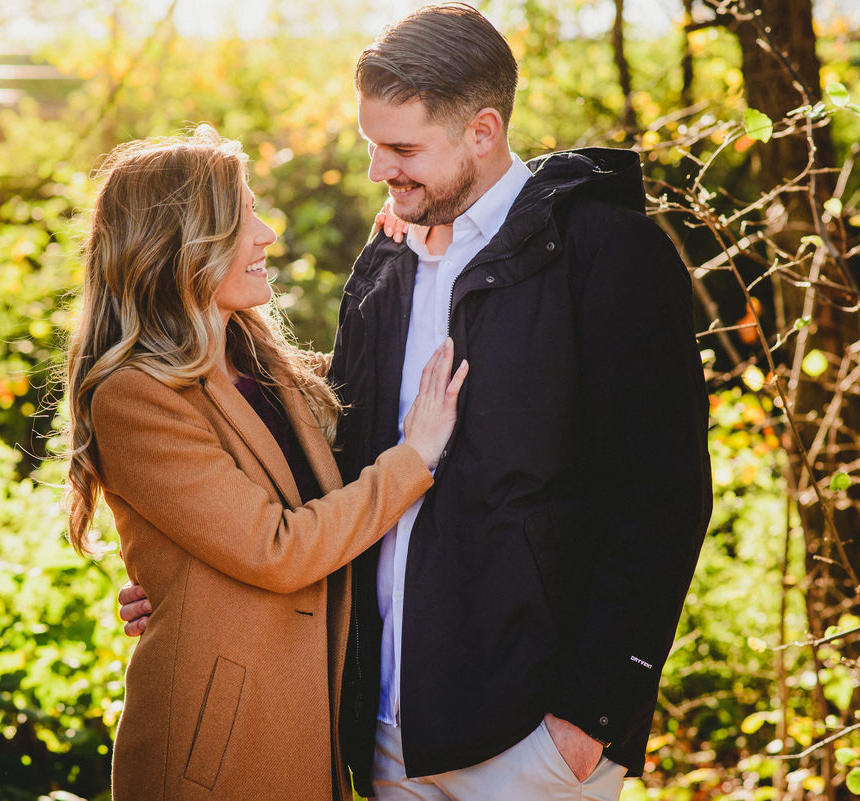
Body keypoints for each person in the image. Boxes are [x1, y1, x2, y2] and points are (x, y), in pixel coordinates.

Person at [119, 4, 713, 800]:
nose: (377, 172)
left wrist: (588, 720)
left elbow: (662, 499)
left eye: (401, 149)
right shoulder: (387, 259)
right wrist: (198, 574)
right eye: (372, 144)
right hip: (383, 734)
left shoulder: (603, 255)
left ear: (483, 131)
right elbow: (330, 450)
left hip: (528, 743)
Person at [65, 126, 468, 801]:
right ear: (184, 245)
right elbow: (277, 547)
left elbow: (360, 405)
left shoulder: (257, 358)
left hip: (303, 723)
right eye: (245, 215)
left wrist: (391, 262)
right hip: (219, 754)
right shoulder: (135, 398)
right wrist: (416, 457)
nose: (267, 235)